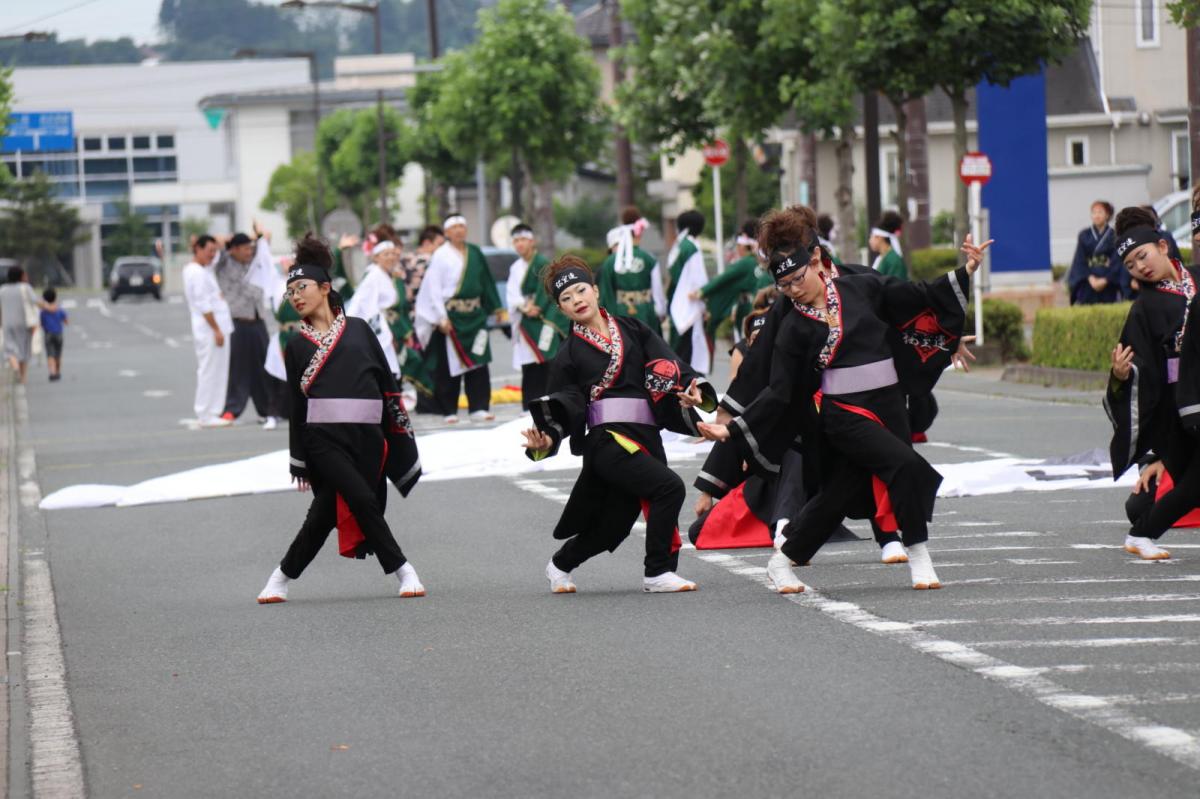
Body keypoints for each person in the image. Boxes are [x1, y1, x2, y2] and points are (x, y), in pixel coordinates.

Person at [699, 229, 989, 593]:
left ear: (814, 264)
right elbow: (779, 392)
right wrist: (734, 428)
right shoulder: (793, 327)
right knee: (905, 465)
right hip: (844, 412)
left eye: (798, 278)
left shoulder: (860, 287)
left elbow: (914, 298)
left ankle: (782, 562)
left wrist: (966, 272)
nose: (794, 289)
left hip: (888, 404)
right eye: (785, 286)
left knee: (838, 496)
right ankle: (919, 553)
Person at [522, 255, 718, 594]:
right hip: (608, 440)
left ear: (596, 291)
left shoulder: (633, 329)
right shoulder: (569, 353)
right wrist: (547, 440)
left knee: (614, 526)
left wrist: (692, 389)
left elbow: (667, 363)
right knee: (669, 487)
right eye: (566, 298)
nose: (576, 300)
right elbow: (566, 401)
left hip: (645, 434)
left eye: (581, 290)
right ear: (561, 308)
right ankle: (657, 572)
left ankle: (560, 564)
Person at [257, 234, 424, 604]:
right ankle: (403, 570)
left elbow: (387, 387)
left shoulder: (360, 329)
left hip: (367, 438)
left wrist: (398, 435)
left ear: (325, 288)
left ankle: (281, 577)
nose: (295, 296)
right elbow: (296, 406)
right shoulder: (296, 345)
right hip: (323, 440)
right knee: (362, 499)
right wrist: (298, 459)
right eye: (290, 292)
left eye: (302, 288)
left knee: (322, 516)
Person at [1105, 206, 1200, 561]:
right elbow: (1140, 371)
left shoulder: (1196, 278)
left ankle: (1141, 534)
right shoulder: (1143, 309)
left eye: (1142, 256)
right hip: (1181, 406)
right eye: (1130, 265)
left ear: (1162, 246)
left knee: (1194, 486)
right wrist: (1121, 375)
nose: (1140, 267)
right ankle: (1141, 532)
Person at [414, 213, 504, 424]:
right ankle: (449, 409)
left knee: (479, 362)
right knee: (449, 365)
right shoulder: (440, 255)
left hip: (476, 316)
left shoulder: (475, 252)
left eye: (461, 226)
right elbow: (433, 288)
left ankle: (479, 407)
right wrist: (440, 317)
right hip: (451, 316)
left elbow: (486, 281)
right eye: (454, 227)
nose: (458, 230)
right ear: (447, 232)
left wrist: (496, 308)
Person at [216, 231, 277, 425]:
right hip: (237, 321)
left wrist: (257, 235)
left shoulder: (254, 262)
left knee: (265, 367)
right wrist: (228, 240)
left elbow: (265, 240)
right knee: (237, 368)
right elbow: (218, 242)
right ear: (234, 249)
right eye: (245, 248)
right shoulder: (224, 263)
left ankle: (267, 409)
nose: (249, 251)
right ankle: (231, 409)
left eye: (250, 248)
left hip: (258, 320)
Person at [506, 223, 566, 408]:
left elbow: (547, 288)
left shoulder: (542, 262)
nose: (519, 244)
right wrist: (524, 307)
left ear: (532, 241)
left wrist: (537, 306)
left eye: (523, 239)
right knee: (529, 364)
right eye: (516, 241)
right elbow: (512, 293)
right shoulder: (515, 267)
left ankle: (550, 403)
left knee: (547, 362)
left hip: (544, 318)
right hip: (526, 318)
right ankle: (529, 405)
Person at [182, 235, 234, 428]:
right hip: (210, 329)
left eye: (214, 251)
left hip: (216, 327)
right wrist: (216, 329)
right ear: (198, 249)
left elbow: (220, 249)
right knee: (209, 370)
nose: (212, 255)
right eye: (209, 251)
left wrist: (214, 244)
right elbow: (203, 304)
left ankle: (212, 411)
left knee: (219, 370)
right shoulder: (196, 272)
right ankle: (205, 412)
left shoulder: (205, 268)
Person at [689, 219, 761, 346]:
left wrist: (701, 292)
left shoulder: (746, 262)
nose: (737, 249)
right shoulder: (757, 261)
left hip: (748, 309)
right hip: (760, 307)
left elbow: (723, 279)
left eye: (738, 245)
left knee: (745, 347)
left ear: (744, 245)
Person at [596, 206, 667, 330]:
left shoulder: (610, 262)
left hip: (620, 314)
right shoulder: (649, 259)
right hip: (646, 312)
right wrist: (661, 311)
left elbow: (606, 294)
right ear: (639, 233)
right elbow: (657, 291)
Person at [345, 226, 402, 378]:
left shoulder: (387, 274)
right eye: (386, 254)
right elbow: (363, 303)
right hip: (383, 326)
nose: (391, 257)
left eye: (392, 253)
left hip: (393, 326)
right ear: (376, 257)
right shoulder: (373, 275)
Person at [666, 209, 710, 374]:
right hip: (689, 303)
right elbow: (698, 280)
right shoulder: (691, 247)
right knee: (689, 351)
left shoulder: (680, 245)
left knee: (678, 349)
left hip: (676, 301)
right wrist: (705, 304)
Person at [1067, 201, 1121, 304]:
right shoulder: (1084, 235)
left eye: (1100, 212)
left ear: (1107, 215)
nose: (1096, 215)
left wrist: (1106, 279)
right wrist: (1090, 278)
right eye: (1094, 212)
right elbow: (1080, 260)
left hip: (1108, 281)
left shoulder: (1114, 235)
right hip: (1089, 280)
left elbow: (1117, 260)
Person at [39, 287, 67, 382]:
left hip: (48, 334)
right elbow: (66, 321)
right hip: (58, 334)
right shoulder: (59, 310)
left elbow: (41, 323)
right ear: (55, 297)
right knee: (58, 354)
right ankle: (58, 372)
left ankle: (52, 372)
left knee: (50, 355)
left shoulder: (43, 312)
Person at [869, 210, 907, 280]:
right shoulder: (883, 257)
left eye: (872, 236)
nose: (870, 241)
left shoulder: (893, 260)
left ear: (880, 237)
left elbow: (897, 284)